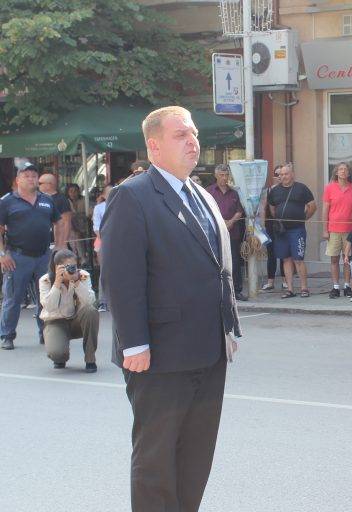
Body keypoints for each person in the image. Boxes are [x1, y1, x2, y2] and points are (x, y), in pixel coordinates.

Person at [100, 106, 241, 512]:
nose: (193, 141)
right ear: (154, 145)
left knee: (196, 457)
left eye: (193, 133)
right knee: (157, 462)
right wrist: (134, 343)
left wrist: (228, 328)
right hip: (159, 355)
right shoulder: (133, 196)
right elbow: (121, 276)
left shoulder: (201, 194)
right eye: (181, 135)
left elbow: (219, 270)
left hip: (209, 350)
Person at [0, 164, 65, 350]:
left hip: (43, 256)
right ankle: (7, 336)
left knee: (46, 298)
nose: (31, 179)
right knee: (13, 298)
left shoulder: (47, 200)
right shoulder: (6, 202)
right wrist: (2, 254)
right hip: (17, 257)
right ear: (17, 180)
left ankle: (46, 333)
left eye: (34, 176)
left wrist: (59, 246)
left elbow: (59, 222)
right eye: (26, 176)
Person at [39, 249, 98, 372]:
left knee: (91, 311)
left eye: (74, 266)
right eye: (67, 266)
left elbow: (89, 302)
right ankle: (61, 353)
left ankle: (90, 359)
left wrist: (76, 282)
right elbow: (49, 307)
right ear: (57, 267)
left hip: (77, 321)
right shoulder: (46, 280)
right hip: (55, 322)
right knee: (58, 354)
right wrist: (57, 283)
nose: (71, 269)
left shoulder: (82, 276)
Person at [268, 163, 316, 298]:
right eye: (281, 174)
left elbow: (312, 206)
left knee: (298, 259)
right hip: (281, 231)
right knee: (286, 259)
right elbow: (272, 208)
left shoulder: (302, 188)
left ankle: (304, 288)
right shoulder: (275, 191)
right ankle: (290, 289)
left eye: (286, 174)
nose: (283, 176)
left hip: (297, 230)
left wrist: (303, 218)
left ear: (292, 175)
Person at [207, 163, 247, 301]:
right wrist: (220, 221)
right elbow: (206, 210)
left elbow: (239, 211)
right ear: (216, 176)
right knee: (216, 262)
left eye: (226, 175)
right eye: (221, 175)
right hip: (215, 233)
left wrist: (230, 222)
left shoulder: (234, 192)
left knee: (235, 262)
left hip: (232, 232)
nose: (224, 178)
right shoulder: (209, 191)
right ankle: (217, 291)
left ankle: (237, 290)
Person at [323, 162, 352, 299]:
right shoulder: (329, 188)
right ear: (336, 172)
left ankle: (347, 285)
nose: (343, 171)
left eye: (345, 169)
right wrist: (324, 229)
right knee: (334, 259)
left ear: (349, 173)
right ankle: (335, 287)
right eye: (340, 169)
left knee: (347, 259)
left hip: (349, 230)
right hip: (333, 229)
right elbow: (325, 209)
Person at [261, 165, 286, 291]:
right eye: (277, 174)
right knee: (271, 253)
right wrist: (262, 226)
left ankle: (285, 281)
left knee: (284, 253)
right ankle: (270, 282)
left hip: (284, 225)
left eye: (282, 174)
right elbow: (263, 208)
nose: (279, 177)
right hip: (271, 225)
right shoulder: (269, 190)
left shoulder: (288, 189)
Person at [38, 173, 72, 253]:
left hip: (56, 242)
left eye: (40, 183)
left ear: (49, 184)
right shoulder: (38, 198)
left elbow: (66, 222)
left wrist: (63, 243)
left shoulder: (61, 200)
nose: (37, 185)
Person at [92, 184, 112, 312]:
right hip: (103, 242)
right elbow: (96, 227)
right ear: (103, 195)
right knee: (104, 271)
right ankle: (103, 301)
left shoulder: (122, 204)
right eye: (108, 192)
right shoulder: (99, 208)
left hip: (120, 242)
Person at [65, 184, 88, 265]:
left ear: (78, 192)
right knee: (76, 236)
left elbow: (90, 212)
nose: (73, 193)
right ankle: (80, 258)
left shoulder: (85, 200)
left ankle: (85, 258)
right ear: (67, 192)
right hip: (71, 227)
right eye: (71, 191)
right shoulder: (66, 202)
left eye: (75, 191)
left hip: (85, 226)